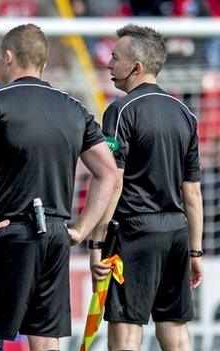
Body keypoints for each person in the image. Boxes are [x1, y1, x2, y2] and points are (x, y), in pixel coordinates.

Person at [0, 23, 118, 351]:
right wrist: (81, 229)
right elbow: (110, 174)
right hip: (55, 236)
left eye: (0, 58)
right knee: (45, 339)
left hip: (6, 231)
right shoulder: (74, 108)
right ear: (42, 65)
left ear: (10, 58)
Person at [89, 24, 204, 351]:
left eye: (115, 58)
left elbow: (113, 180)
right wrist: (195, 251)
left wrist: (97, 243)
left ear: (136, 67)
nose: (109, 64)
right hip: (176, 232)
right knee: (174, 326)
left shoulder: (120, 110)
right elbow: (192, 192)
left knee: (126, 327)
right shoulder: (185, 114)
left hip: (134, 232)